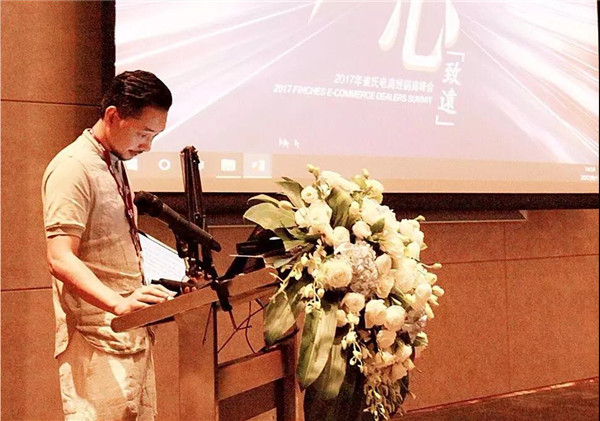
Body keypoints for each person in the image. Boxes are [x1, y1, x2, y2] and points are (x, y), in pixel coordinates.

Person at [42, 70, 177, 420]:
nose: (147, 146)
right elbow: (60, 258)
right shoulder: (73, 167)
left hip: (130, 335)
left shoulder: (111, 162)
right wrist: (118, 304)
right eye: (144, 133)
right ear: (113, 115)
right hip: (96, 341)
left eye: (155, 136)